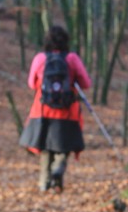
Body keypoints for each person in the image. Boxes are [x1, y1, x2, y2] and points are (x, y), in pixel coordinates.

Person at [19, 26, 92, 192]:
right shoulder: (72, 58)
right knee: (63, 147)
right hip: (68, 111)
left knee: (46, 148)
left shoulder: (40, 58)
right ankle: (58, 172)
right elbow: (86, 83)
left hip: (43, 110)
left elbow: (31, 84)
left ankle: (44, 183)